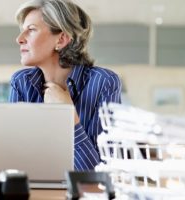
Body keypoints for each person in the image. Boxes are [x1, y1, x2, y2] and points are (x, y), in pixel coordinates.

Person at [9, 0, 122, 171]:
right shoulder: (21, 82)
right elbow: (13, 161)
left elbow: (100, 174)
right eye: (22, 30)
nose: (19, 39)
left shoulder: (105, 83)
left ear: (61, 39)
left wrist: (69, 117)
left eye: (31, 30)